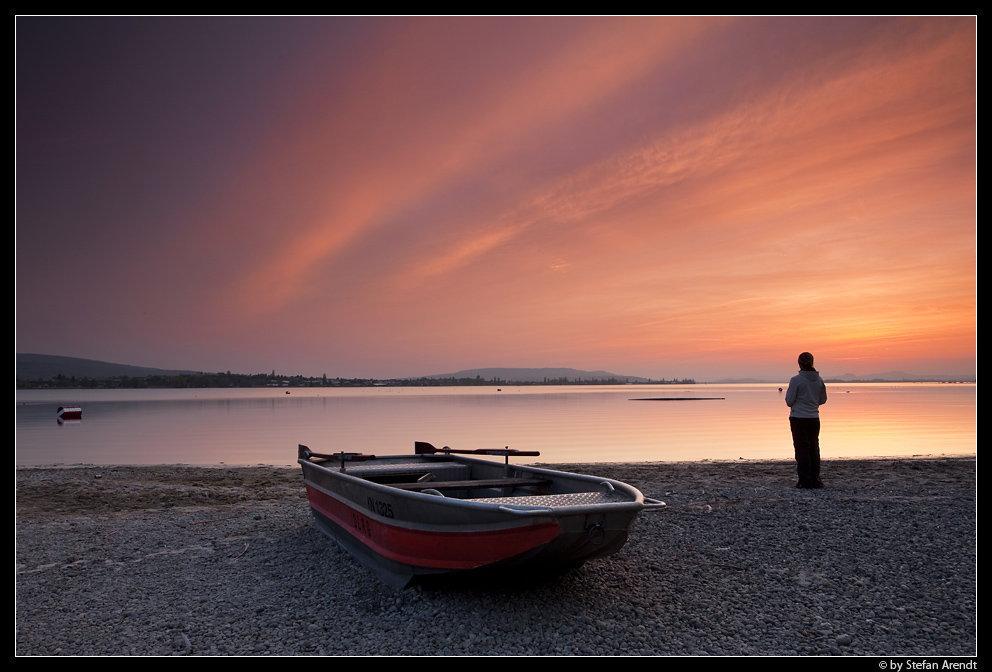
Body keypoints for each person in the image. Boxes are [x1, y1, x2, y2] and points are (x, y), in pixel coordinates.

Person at [785, 352, 827, 489]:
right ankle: (816, 478)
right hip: (814, 417)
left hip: (799, 418)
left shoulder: (796, 380)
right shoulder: (819, 380)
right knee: (813, 448)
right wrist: (812, 403)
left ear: (799, 363)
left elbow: (789, 401)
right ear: (812, 362)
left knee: (802, 449)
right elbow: (823, 400)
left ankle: (805, 480)